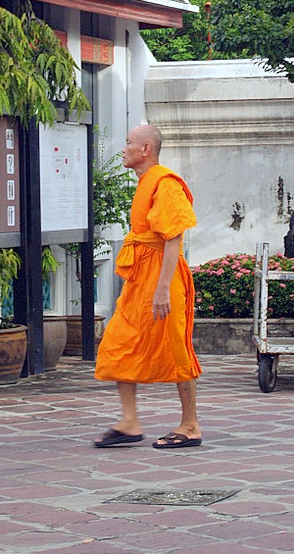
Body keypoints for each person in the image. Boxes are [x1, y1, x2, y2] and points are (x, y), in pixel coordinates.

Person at [93, 124, 202, 450]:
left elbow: (173, 239)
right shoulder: (144, 183)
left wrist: (162, 288)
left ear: (145, 149)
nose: (123, 148)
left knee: (175, 348)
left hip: (163, 279)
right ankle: (129, 421)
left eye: (128, 143)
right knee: (118, 341)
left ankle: (190, 424)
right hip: (140, 277)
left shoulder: (165, 183)